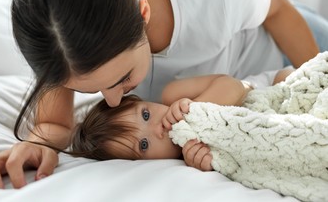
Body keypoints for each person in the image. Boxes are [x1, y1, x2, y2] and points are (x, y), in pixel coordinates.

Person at [0, 0, 328, 189]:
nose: (111, 101)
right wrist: (34, 146)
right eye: (89, 91)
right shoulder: (66, 40)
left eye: (122, 79)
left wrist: (310, 81)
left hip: (288, 49)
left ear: (144, 15)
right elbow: (53, 124)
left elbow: (277, 6)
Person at [68, 68, 294, 171]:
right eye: (144, 145)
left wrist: (195, 113)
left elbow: (234, 86)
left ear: (143, 101)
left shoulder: (173, 95)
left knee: (291, 79)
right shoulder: (187, 159)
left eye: (146, 115)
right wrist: (207, 162)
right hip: (272, 126)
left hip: (269, 87)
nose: (157, 128)